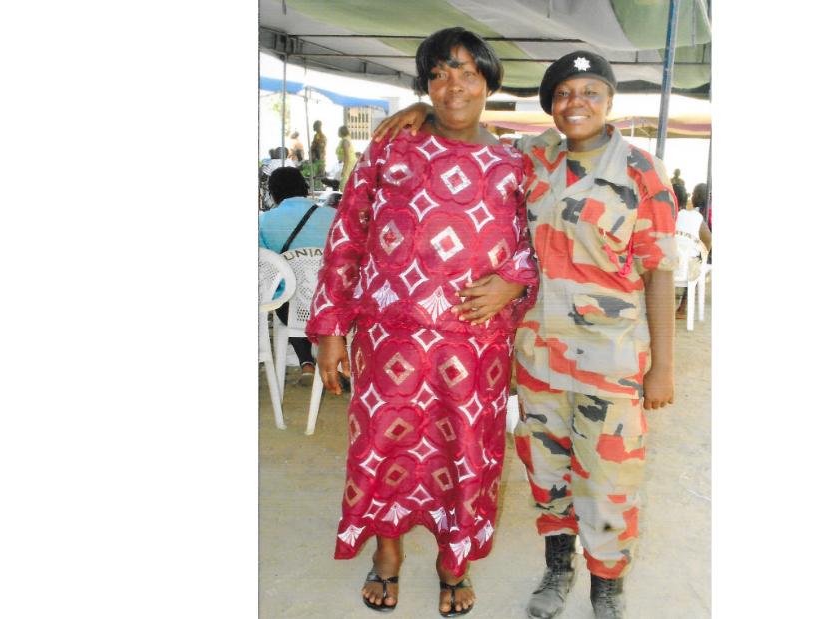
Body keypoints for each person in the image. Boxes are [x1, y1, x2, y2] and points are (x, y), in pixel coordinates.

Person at [374, 49, 678, 619]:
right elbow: (470, 129)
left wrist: (662, 365)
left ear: (609, 101)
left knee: (611, 476)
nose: (576, 103)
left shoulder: (642, 170)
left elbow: (659, 274)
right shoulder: (530, 158)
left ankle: (607, 588)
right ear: (551, 109)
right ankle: (557, 571)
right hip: (537, 354)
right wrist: (422, 104)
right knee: (547, 467)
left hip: (610, 358)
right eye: (563, 94)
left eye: (590, 91)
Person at [306, 27, 538, 616]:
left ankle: (451, 562)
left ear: (488, 79)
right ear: (424, 85)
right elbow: (347, 235)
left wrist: (515, 278)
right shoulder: (389, 147)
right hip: (389, 339)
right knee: (385, 446)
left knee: (463, 451)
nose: (451, 85)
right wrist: (331, 327)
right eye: (437, 74)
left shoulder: (517, 164)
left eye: (464, 71)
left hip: (476, 346)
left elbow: (541, 245)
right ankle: (386, 557)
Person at [258, 167, 337, 374]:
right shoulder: (333, 216)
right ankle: (333, 360)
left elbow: (263, 270)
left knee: (287, 294)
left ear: (273, 192)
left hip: (291, 311)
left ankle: (306, 362)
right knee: (310, 291)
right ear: (303, 187)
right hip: (331, 306)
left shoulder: (264, 221)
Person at [673, 182, 712, 319]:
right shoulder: (697, 217)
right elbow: (708, 238)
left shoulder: (668, 217)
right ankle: (682, 309)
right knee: (696, 265)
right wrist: (703, 257)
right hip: (689, 269)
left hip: (668, 267)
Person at [335, 125, 357, 191]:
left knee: (344, 181)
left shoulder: (345, 141)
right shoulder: (345, 140)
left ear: (341, 132)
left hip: (348, 162)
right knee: (346, 180)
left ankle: (345, 195)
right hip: (348, 161)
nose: (337, 133)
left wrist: (344, 169)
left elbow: (347, 156)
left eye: (338, 131)